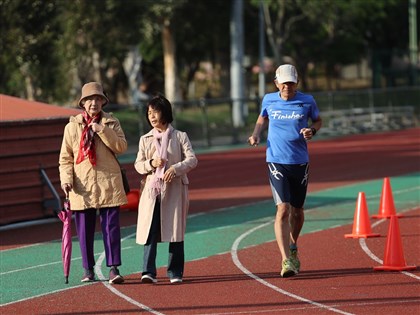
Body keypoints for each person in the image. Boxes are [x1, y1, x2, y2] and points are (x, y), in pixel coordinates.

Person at [248, 64, 322, 278]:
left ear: (296, 83)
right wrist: (256, 134)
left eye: (291, 82)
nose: (287, 86)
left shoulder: (307, 101)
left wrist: (312, 130)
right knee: (283, 209)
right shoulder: (269, 100)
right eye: (284, 83)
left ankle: (293, 246)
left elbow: (317, 119)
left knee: (297, 211)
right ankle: (285, 260)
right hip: (276, 161)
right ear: (276, 83)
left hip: (299, 162)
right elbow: (262, 118)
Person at [59, 82, 127, 284]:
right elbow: (65, 158)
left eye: (98, 99)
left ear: (103, 102)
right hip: (82, 186)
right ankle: (88, 269)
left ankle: (114, 269)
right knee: (84, 231)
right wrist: (66, 180)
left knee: (111, 228)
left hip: (108, 183)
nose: (94, 103)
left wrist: (102, 130)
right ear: (83, 103)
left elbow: (121, 147)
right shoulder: (71, 127)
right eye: (89, 99)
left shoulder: (111, 122)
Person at [134, 94, 197, 284]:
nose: (152, 116)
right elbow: (138, 164)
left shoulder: (180, 136)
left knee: (175, 231)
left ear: (166, 112)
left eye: (156, 112)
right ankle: (148, 271)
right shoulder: (145, 139)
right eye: (149, 113)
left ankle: (175, 272)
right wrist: (151, 163)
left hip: (175, 190)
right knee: (150, 230)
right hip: (152, 192)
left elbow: (192, 159)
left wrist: (175, 169)